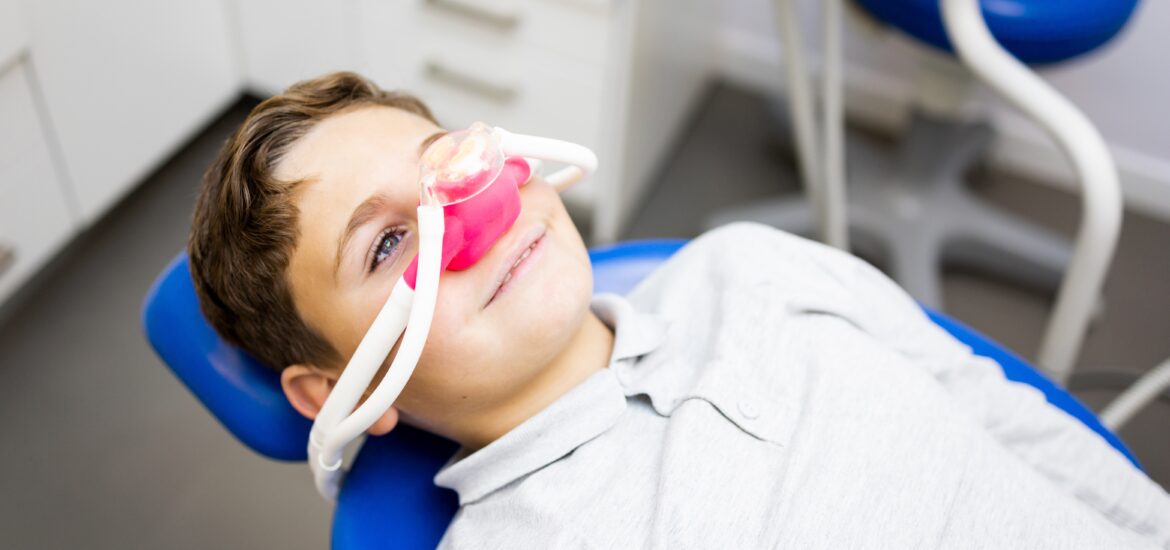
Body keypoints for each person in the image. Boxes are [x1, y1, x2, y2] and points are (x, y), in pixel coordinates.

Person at [189, 71, 1170, 548]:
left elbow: (1010, 416)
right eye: (390, 244)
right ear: (335, 392)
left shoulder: (751, 266)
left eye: (449, 165)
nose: (473, 217)